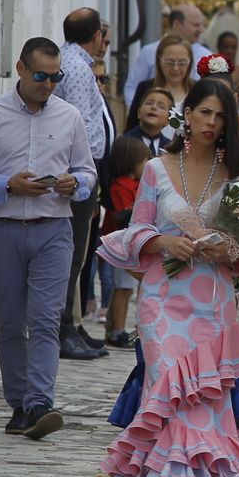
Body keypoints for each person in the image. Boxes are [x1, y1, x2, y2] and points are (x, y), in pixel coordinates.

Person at [93, 78, 239, 477]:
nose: (211, 124)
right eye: (204, 113)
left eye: (221, 117)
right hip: (163, 299)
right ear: (189, 113)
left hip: (213, 301)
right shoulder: (156, 169)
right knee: (166, 393)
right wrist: (162, 242)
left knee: (206, 405)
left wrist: (228, 245)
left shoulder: (235, 177)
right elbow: (134, 230)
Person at [0, 38, 98, 436]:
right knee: (12, 321)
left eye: (55, 77)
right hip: (3, 231)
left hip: (53, 230)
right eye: (40, 76)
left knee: (46, 319)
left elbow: (88, 171)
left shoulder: (69, 117)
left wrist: (75, 184)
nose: (48, 84)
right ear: (21, 69)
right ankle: (18, 404)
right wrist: (5, 184)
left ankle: (39, 405)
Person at [53, 8, 115, 358]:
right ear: (95, 35)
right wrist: (86, 173)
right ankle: (61, 329)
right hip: (78, 172)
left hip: (85, 172)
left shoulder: (77, 62)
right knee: (72, 253)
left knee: (80, 252)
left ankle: (70, 323)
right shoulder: (76, 67)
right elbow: (77, 123)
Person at [101, 135, 151, 350]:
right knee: (122, 288)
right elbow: (124, 214)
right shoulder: (122, 187)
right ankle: (117, 330)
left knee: (124, 288)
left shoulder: (134, 185)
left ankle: (116, 326)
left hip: (129, 245)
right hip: (122, 245)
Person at [124, 5, 209, 104]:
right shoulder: (149, 51)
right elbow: (131, 87)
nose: (201, 30)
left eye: (182, 63)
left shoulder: (207, 56)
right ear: (177, 24)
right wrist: (140, 112)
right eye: (196, 25)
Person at [125, 34, 195, 126]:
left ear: (189, 63)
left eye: (182, 63)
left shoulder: (197, 90)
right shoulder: (145, 88)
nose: (175, 68)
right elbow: (131, 128)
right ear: (159, 61)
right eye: (170, 62)